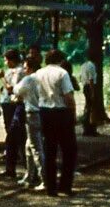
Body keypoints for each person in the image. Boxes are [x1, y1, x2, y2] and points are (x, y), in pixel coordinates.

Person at [34, 48, 77, 197]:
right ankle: (65, 185)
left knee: (49, 150)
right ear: (60, 60)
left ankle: (50, 187)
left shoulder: (39, 73)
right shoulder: (62, 73)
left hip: (45, 111)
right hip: (61, 112)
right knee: (68, 150)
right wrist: (73, 112)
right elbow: (68, 96)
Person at [13, 56, 45, 191]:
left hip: (32, 114)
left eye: (26, 68)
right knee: (28, 147)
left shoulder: (29, 78)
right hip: (42, 112)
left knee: (36, 147)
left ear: (31, 68)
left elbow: (16, 90)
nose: (24, 70)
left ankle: (45, 178)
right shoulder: (42, 78)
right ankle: (29, 175)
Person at [0, 49, 26, 180]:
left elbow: (11, 89)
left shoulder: (19, 72)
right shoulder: (12, 71)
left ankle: (17, 167)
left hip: (13, 105)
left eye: (6, 60)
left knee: (15, 136)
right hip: (7, 104)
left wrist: (2, 78)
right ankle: (11, 167)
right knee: (12, 135)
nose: (5, 62)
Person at [77, 51, 99, 137]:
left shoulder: (83, 65)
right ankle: (91, 128)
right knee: (92, 108)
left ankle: (86, 127)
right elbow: (91, 79)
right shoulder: (91, 65)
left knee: (87, 107)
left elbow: (80, 77)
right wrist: (93, 92)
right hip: (90, 87)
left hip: (85, 86)